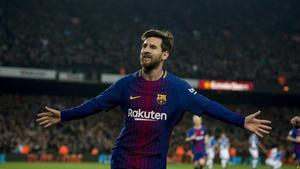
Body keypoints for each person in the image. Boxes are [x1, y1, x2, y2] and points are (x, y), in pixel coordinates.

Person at [36, 29, 272, 169]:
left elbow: (208, 106)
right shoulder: (125, 84)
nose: (146, 50)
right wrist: (64, 115)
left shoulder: (178, 88)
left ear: (165, 54)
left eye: (152, 47)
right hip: (122, 160)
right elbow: (95, 104)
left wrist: (241, 121)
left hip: (154, 164)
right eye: (144, 46)